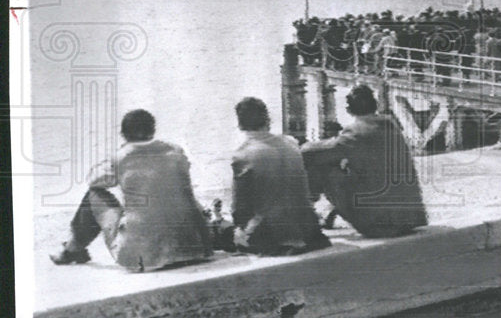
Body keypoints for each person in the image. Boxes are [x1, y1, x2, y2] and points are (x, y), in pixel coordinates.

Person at [50, 109, 213, 271]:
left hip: (144, 256)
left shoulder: (122, 157)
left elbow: (93, 181)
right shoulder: (176, 151)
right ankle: (73, 248)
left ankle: (73, 249)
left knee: (94, 195)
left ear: (123, 134)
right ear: (153, 130)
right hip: (196, 248)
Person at [301, 85, 428, 238]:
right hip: (409, 218)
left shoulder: (356, 132)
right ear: (375, 104)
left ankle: (307, 215)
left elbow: (312, 152)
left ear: (348, 109)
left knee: (322, 167)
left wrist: (297, 146)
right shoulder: (390, 125)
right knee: (349, 167)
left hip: (380, 224)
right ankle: (326, 212)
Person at [230, 98, 330, 255]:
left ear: (240, 123)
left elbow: (239, 209)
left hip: (275, 237)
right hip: (311, 231)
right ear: (267, 119)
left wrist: (240, 230)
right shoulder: (291, 142)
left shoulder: (242, 155)